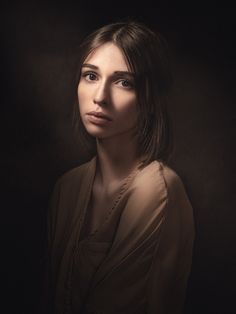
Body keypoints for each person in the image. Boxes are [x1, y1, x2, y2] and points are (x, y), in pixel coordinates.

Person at [44, 20, 195, 314]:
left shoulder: (157, 190)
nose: (100, 97)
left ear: (149, 99)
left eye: (124, 82)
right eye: (90, 76)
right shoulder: (68, 187)